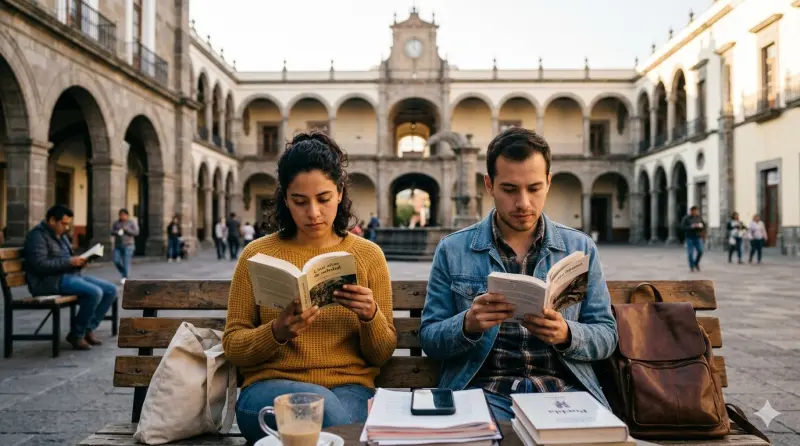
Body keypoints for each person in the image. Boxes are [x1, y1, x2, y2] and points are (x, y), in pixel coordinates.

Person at [418, 127, 618, 421]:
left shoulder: (579, 248)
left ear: (549, 182)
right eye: (510, 190)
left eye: (534, 188)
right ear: (489, 184)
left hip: (564, 393)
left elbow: (607, 335)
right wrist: (468, 325)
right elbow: (430, 339)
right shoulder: (453, 249)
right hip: (484, 394)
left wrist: (566, 334)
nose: (523, 203)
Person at [223, 131, 397, 445]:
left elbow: (382, 355)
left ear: (341, 192)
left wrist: (370, 315)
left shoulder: (368, 256)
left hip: (350, 389)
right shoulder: (257, 255)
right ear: (285, 199)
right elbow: (234, 345)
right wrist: (277, 331)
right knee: (331, 420)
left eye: (324, 198)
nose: (313, 212)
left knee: (328, 419)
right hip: (267, 392)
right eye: (300, 201)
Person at [23, 204, 118, 350]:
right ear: (52, 220)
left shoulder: (62, 236)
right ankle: (77, 334)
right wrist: (69, 262)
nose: (67, 227)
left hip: (69, 276)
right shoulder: (37, 236)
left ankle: (87, 329)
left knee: (111, 290)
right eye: (64, 224)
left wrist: (80, 262)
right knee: (94, 292)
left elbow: (67, 259)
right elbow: (40, 265)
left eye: (68, 224)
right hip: (48, 282)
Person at [110, 208, 139, 285]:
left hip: (128, 245)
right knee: (116, 261)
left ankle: (125, 277)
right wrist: (117, 232)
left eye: (124, 215)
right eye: (121, 215)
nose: (122, 216)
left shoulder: (131, 223)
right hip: (118, 245)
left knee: (126, 262)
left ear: (127, 215)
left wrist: (126, 230)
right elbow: (111, 232)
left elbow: (136, 232)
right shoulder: (116, 223)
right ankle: (125, 272)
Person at [680, 206, 706, 272]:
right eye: (694, 211)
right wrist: (691, 226)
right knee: (690, 253)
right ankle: (691, 267)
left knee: (700, 251)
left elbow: (704, 226)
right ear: (691, 211)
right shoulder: (686, 218)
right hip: (689, 237)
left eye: (696, 211)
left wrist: (701, 227)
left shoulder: (699, 217)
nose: (695, 212)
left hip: (698, 237)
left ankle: (696, 263)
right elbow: (682, 227)